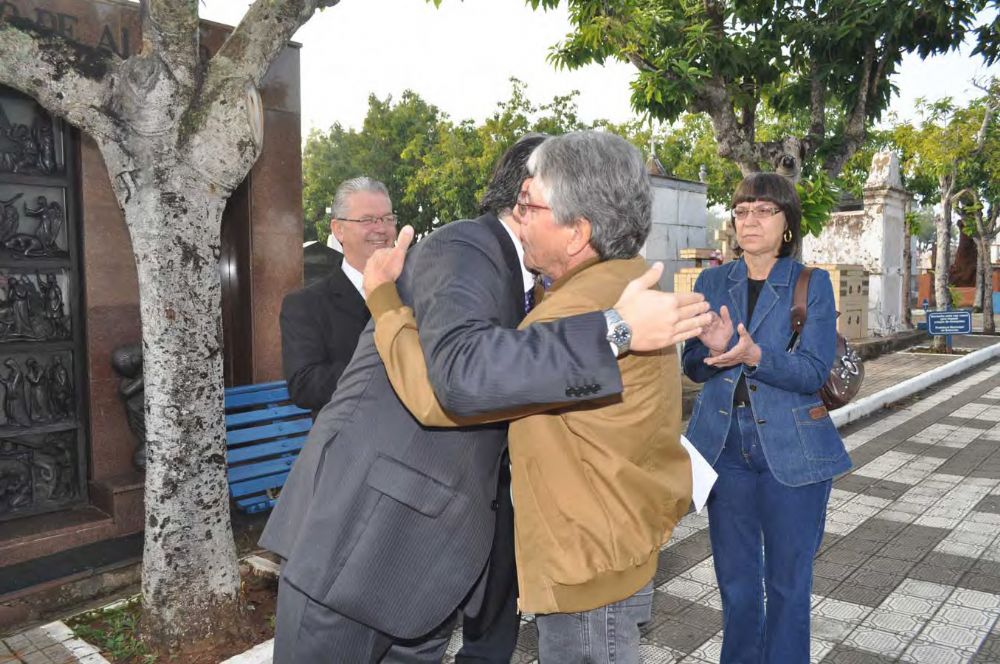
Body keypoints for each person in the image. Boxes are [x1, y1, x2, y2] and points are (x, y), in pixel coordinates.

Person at [259, 134, 713, 662]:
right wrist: (382, 299)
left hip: (462, 553)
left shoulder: (579, 293)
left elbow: (486, 381)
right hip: (357, 538)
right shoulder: (469, 249)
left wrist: (384, 300)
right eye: (522, 200)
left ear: (577, 229)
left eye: (532, 201)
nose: (522, 212)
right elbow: (459, 381)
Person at [681, 172, 852, 664]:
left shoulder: (811, 283)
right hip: (724, 447)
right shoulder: (713, 281)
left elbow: (814, 370)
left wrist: (754, 355)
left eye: (763, 210)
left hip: (791, 448)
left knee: (787, 585)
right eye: (741, 210)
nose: (749, 220)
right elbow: (691, 364)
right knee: (736, 585)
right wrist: (715, 352)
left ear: (786, 223)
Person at [279, 176, 397, 417]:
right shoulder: (306, 305)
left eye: (387, 218)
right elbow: (304, 386)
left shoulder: (416, 290)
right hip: (352, 435)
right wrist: (390, 366)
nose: (381, 229)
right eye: (367, 220)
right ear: (338, 230)